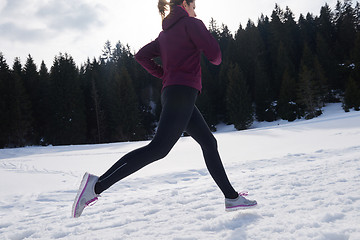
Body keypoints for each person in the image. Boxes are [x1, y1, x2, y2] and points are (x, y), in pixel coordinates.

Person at [72, 0, 257, 218]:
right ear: (186, 4)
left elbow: (141, 56)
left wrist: (166, 74)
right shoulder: (191, 24)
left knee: (209, 142)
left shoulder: (164, 34)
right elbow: (215, 57)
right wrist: (199, 29)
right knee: (158, 149)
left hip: (174, 92)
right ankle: (96, 187)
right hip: (182, 92)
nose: (195, 11)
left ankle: (231, 197)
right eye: (194, 6)